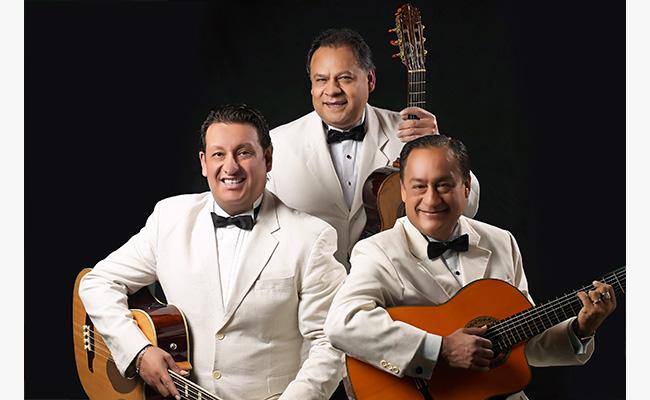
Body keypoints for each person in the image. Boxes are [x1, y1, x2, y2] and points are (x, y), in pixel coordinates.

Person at [79, 104, 346, 400]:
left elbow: (330, 343)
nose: (230, 167)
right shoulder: (169, 217)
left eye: (243, 153)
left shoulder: (311, 237)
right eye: (219, 154)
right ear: (204, 163)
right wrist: (138, 352)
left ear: (268, 159)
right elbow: (97, 282)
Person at [324, 135, 617, 399]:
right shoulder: (377, 251)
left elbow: (524, 341)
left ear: (465, 187)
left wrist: (580, 329)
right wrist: (440, 350)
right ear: (402, 191)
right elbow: (343, 323)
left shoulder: (502, 241)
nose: (431, 199)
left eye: (443, 185)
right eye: (419, 186)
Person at [267, 28, 480, 269]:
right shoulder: (277, 144)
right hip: (310, 283)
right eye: (321, 79)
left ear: (370, 80)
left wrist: (438, 148)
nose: (332, 90)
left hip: (394, 278)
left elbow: (468, 207)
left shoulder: (412, 133)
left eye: (344, 78)